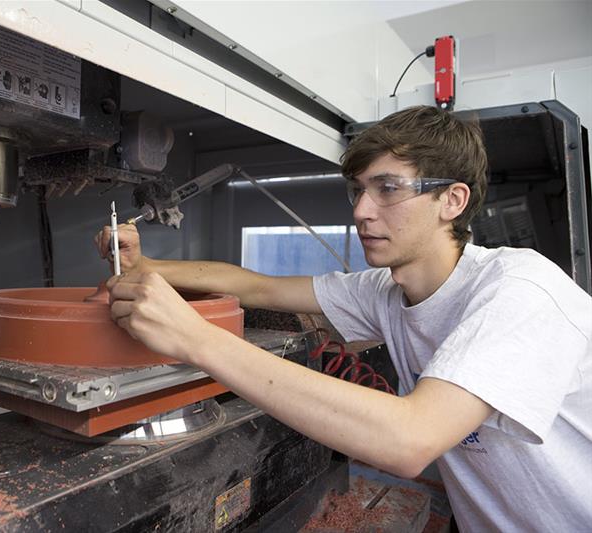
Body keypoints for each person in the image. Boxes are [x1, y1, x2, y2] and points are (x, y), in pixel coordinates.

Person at [94, 106, 592, 531]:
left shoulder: (519, 289)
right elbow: (257, 285)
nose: (362, 210)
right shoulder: (386, 290)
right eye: (357, 190)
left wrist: (195, 338)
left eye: (388, 189)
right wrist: (147, 266)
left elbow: (409, 440)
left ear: (452, 201)